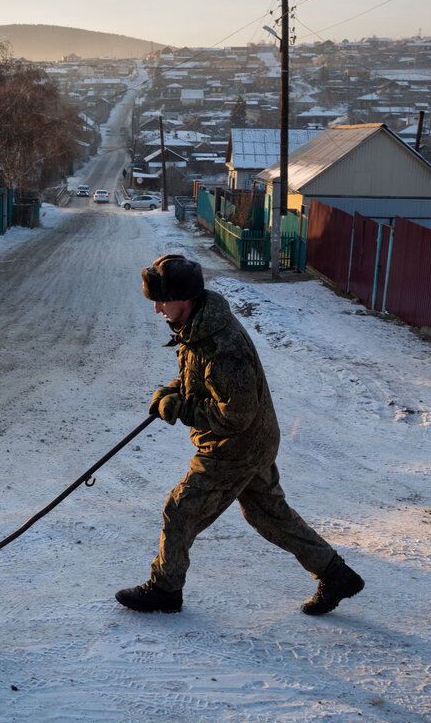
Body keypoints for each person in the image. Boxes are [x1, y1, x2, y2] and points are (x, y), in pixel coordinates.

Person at [116, 254, 364, 616]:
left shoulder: (222, 346)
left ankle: (165, 590)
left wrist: (181, 408)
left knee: (181, 511)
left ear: (184, 299)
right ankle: (336, 574)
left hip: (237, 445)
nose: (157, 310)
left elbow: (235, 414)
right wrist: (172, 392)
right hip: (253, 441)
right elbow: (201, 384)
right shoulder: (198, 327)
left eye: (161, 301)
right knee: (269, 514)